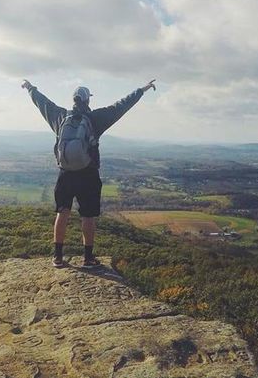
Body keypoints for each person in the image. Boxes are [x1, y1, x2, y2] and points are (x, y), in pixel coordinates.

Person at [21, 78, 157, 268]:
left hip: (65, 173)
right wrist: (141, 90)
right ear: (87, 100)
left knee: (62, 213)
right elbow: (121, 106)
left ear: (74, 100)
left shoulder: (60, 117)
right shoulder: (95, 119)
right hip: (88, 174)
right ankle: (88, 258)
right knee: (87, 216)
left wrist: (29, 88)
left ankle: (58, 257)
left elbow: (42, 102)